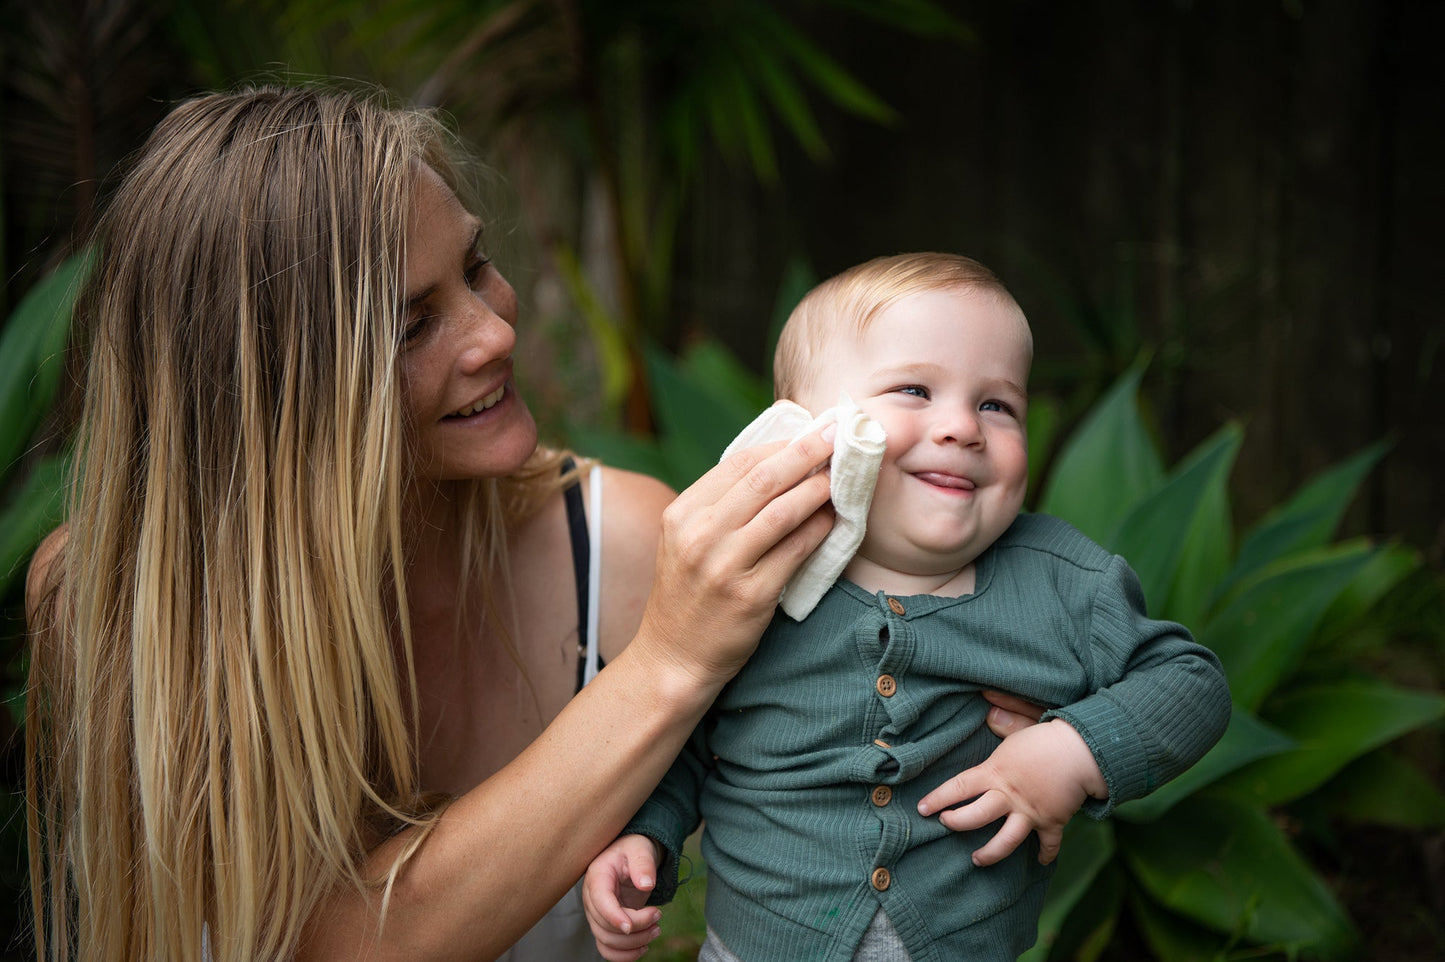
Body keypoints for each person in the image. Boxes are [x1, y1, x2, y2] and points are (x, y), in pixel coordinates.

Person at [23, 84, 867, 962]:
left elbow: (864, 715)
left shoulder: (613, 547)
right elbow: (330, 944)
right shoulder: (109, 605)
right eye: (411, 324)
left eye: (475, 267)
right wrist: (667, 666)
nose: (493, 332)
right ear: (266, 403)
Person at [582, 253, 1233, 962]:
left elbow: (1190, 684)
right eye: (914, 390)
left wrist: (1070, 751)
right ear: (800, 429)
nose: (962, 427)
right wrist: (644, 836)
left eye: (996, 403)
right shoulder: (752, 580)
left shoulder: (1061, 583)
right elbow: (685, 740)